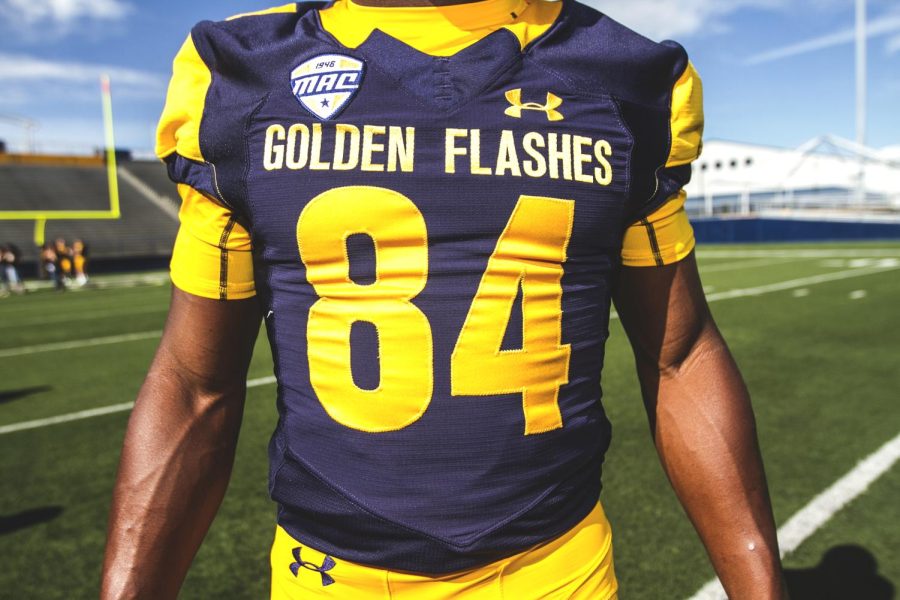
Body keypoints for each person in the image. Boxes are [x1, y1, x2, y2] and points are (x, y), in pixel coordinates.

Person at [102, 1, 787, 598]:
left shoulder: (626, 78)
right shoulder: (240, 73)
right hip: (329, 576)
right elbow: (195, 386)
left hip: (556, 568)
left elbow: (681, 353)